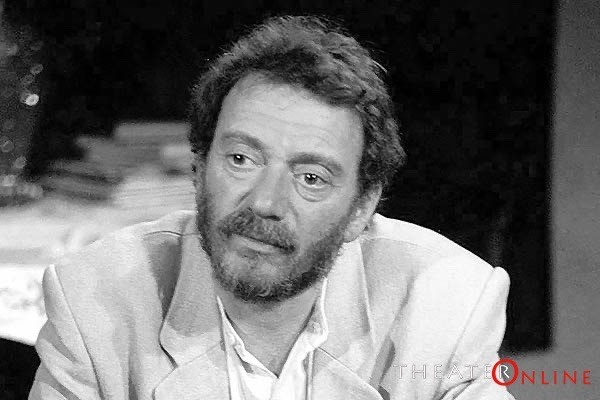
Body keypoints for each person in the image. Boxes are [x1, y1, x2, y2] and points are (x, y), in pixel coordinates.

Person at [29, 15, 514, 400]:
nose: (264, 203)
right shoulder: (96, 302)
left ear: (361, 208)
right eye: (241, 159)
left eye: (310, 178)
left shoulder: (445, 304)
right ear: (199, 167)